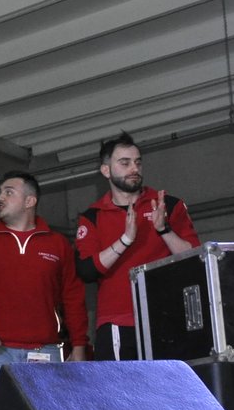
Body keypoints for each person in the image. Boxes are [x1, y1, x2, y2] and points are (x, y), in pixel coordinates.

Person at [0, 173, 88, 407]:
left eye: (9, 192)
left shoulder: (57, 244)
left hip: (45, 350)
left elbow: (73, 296)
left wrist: (78, 346)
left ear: (30, 201)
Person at [75, 132, 199, 360]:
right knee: (120, 395)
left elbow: (194, 259)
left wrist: (164, 230)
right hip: (118, 323)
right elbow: (86, 271)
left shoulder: (168, 204)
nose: (134, 168)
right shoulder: (92, 216)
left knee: (169, 394)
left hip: (167, 319)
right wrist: (125, 241)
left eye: (138, 162)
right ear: (106, 170)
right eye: (125, 163)